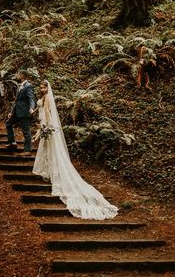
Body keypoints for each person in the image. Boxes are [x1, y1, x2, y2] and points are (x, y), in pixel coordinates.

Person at [33, 79, 118, 219]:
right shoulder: (43, 97)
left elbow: (48, 113)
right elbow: (41, 110)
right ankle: (48, 172)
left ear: (48, 88)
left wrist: (45, 126)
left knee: (53, 151)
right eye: (41, 87)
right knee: (47, 150)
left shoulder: (47, 97)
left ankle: (52, 173)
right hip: (43, 124)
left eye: (44, 87)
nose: (42, 89)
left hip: (47, 125)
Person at [5, 69, 35, 154]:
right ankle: (12, 143)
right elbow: (17, 101)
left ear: (22, 76)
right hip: (16, 111)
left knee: (26, 131)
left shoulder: (28, 86)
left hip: (25, 112)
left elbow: (31, 99)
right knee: (8, 123)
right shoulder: (20, 85)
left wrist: (32, 108)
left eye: (18, 74)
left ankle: (27, 150)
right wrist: (11, 112)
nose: (17, 75)